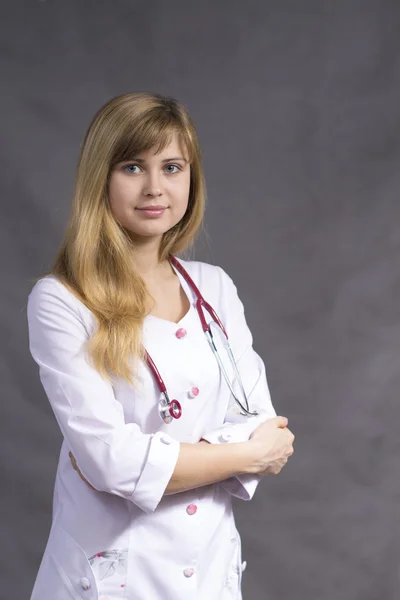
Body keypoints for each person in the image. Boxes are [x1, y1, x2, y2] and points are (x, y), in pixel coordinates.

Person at [27, 92, 295, 600]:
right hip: (112, 577)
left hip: (209, 568)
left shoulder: (213, 287)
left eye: (172, 167)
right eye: (133, 166)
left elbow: (264, 421)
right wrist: (246, 455)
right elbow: (111, 462)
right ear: (100, 177)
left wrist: (148, 461)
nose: (155, 187)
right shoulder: (62, 300)